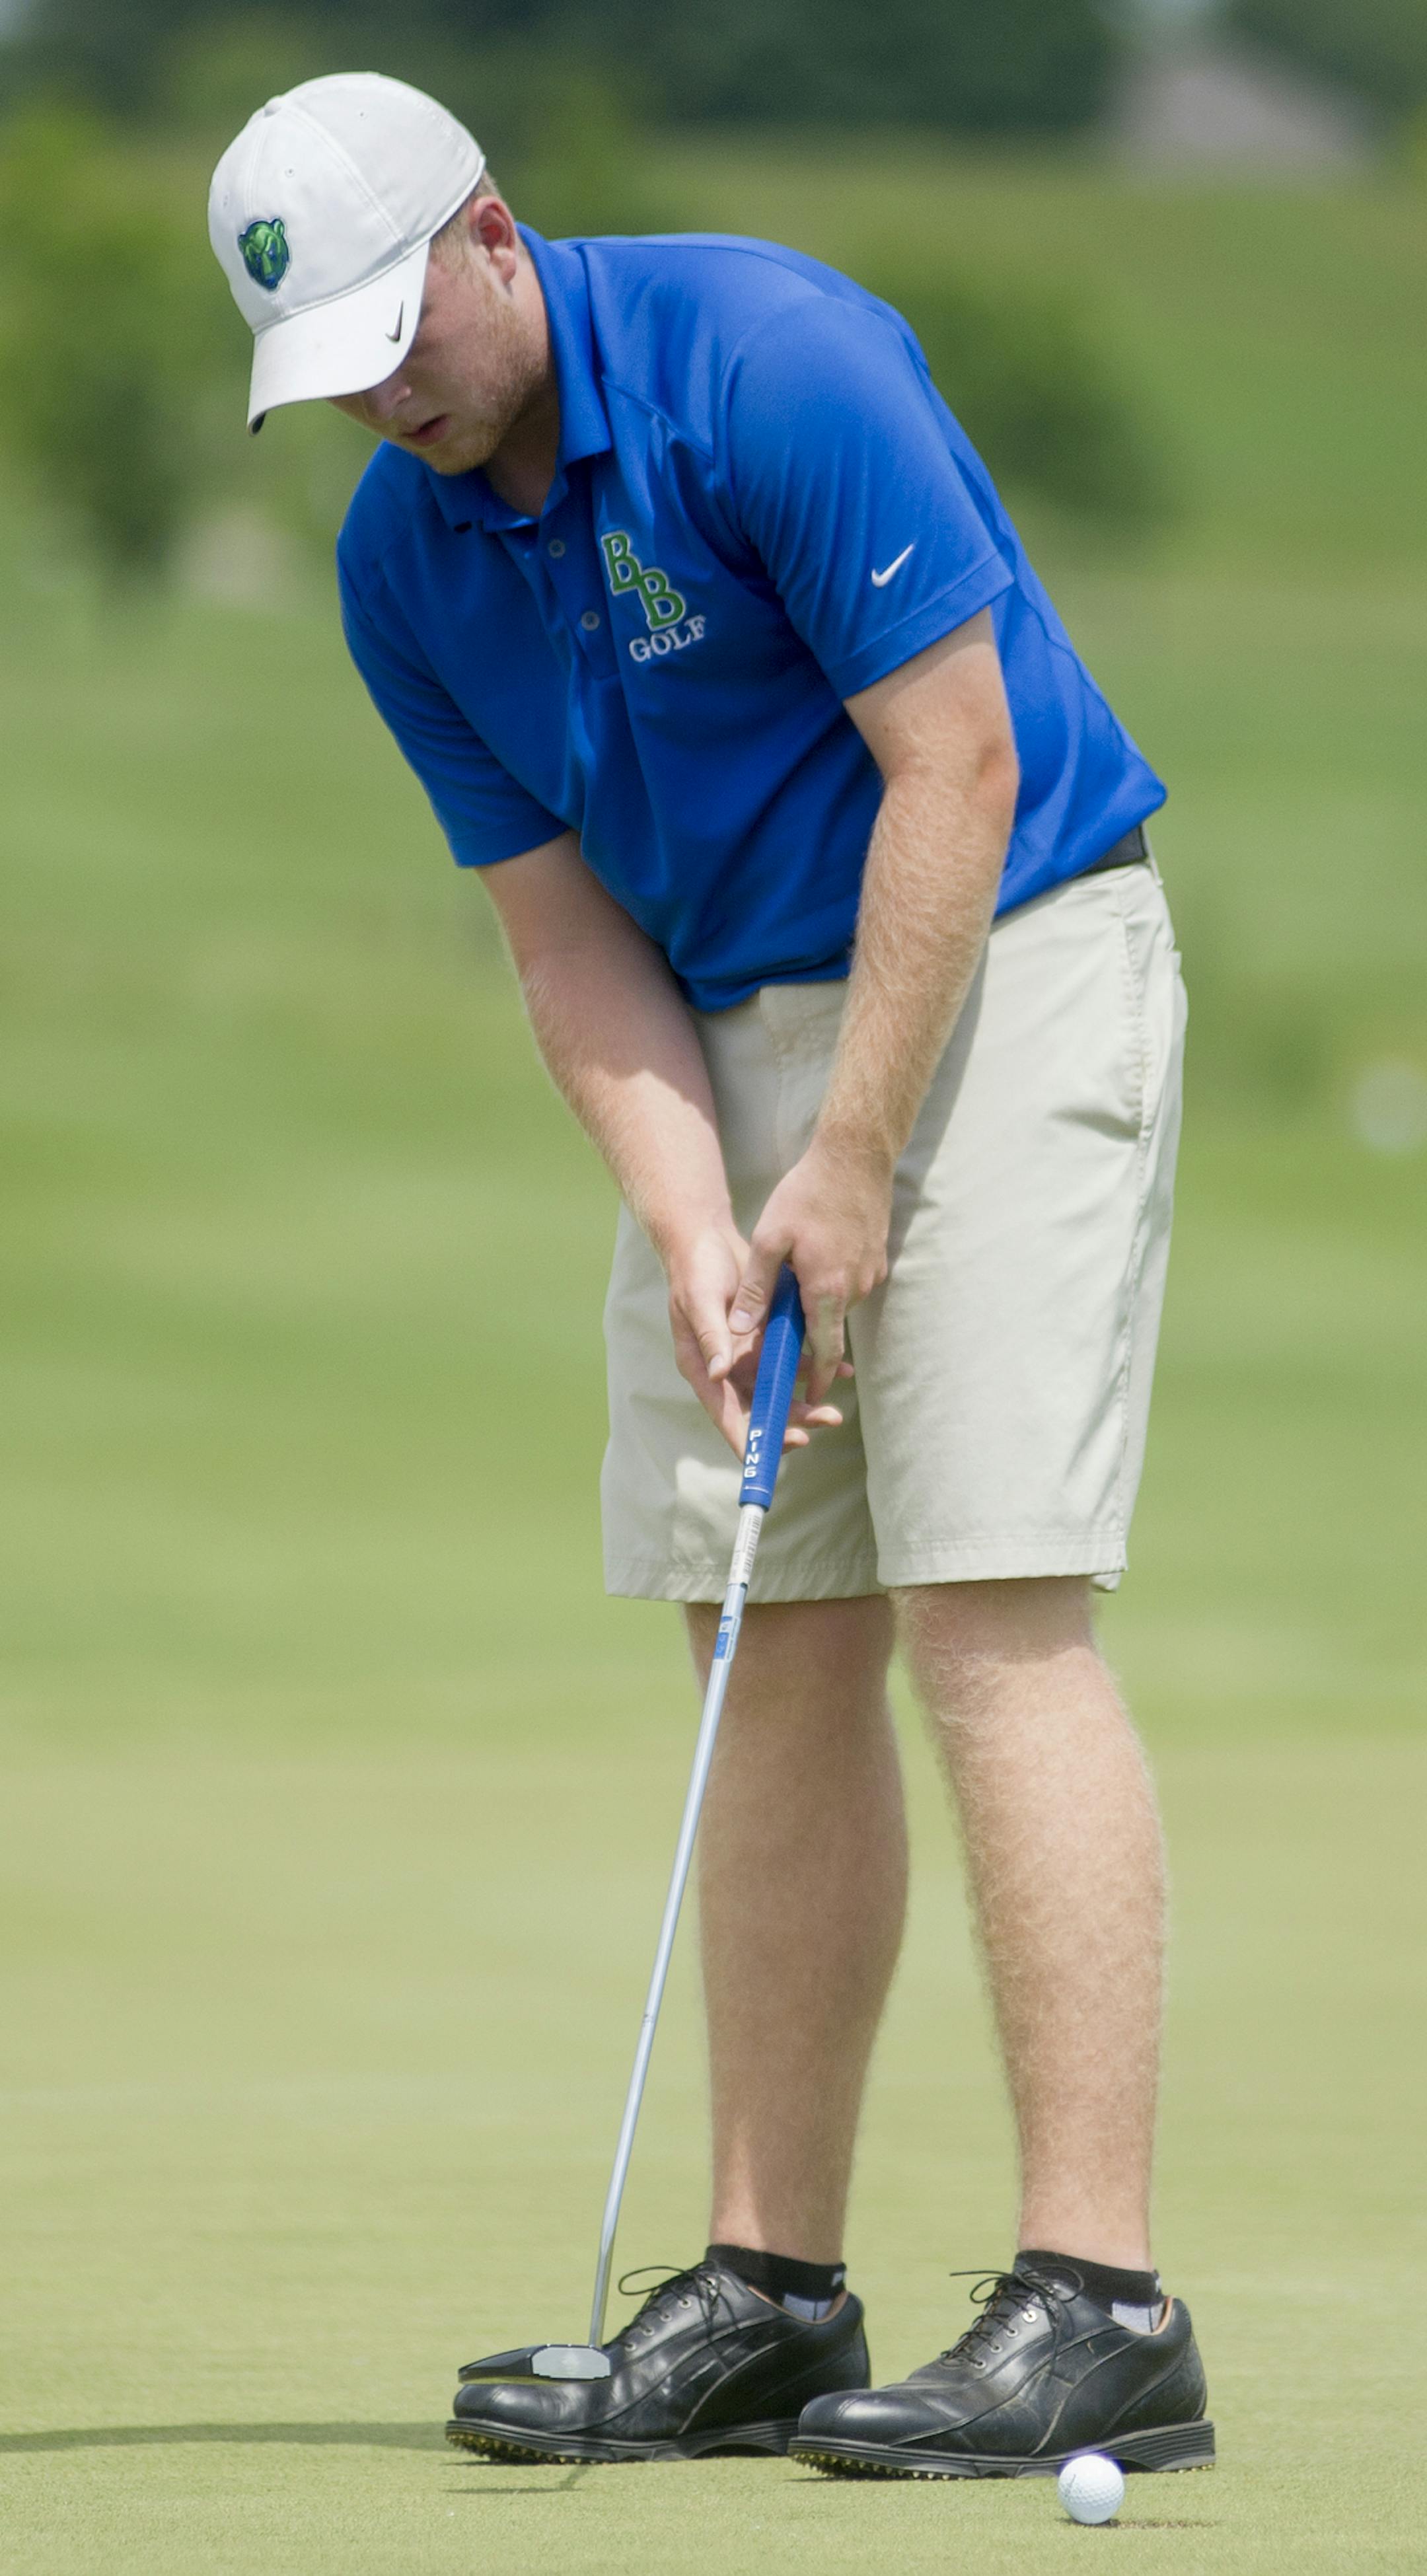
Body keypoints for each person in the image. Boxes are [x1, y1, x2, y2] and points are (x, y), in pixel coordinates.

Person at [209, 73, 1214, 2482]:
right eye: (329, 366)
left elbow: (954, 770)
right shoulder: (402, 559)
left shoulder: (772, 363)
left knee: (991, 1605)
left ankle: (1105, 2296)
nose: (384, 392)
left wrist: (851, 1156)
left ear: (493, 232)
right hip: (728, 1030)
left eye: (394, 326)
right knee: (757, 1622)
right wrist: (698, 1214)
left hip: (1004, 957)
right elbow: (566, 942)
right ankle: (772, 2281)